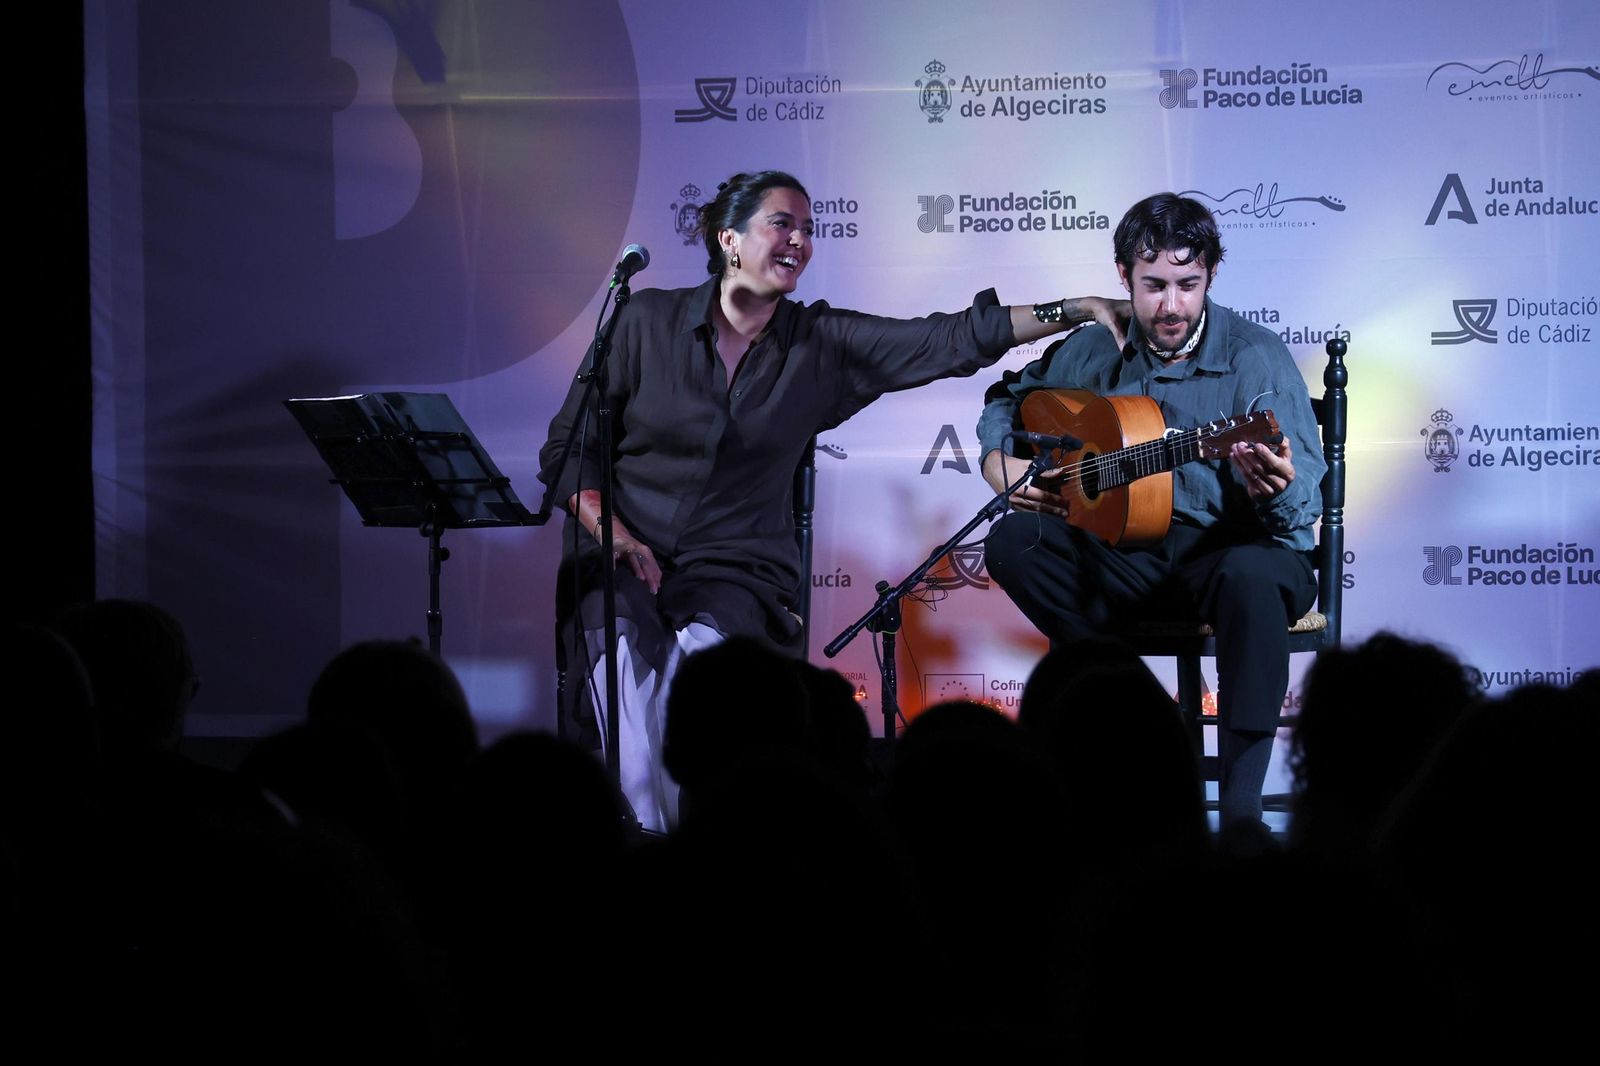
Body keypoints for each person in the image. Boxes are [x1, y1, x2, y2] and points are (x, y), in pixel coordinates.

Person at [538, 169, 1127, 832]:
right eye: (782, 224)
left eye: (809, 229)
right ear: (730, 239)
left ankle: (678, 849)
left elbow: (953, 338)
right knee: (621, 671)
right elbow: (568, 449)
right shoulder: (644, 321)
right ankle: (653, 837)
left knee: (703, 686)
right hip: (620, 556)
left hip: (734, 570)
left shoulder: (821, 344)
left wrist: (1073, 308)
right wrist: (614, 534)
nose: (800, 240)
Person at [976, 192, 1325, 833]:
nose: (1170, 306)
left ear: (1211, 276)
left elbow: (1302, 521)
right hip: (1131, 558)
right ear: (1123, 276)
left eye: (1188, 286)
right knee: (1014, 541)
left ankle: (1241, 813)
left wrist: (1275, 489)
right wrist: (999, 460)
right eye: (1154, 285)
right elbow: (1007, 398)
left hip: (1232, 555)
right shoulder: (1091, 349)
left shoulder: (1256, 358)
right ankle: (1138, 713)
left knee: (1254, 575)